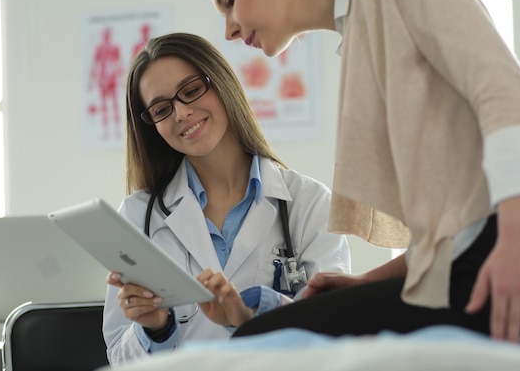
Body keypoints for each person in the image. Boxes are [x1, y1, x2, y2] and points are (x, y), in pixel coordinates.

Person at [198, 0, 520, 345]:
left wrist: (519, 242)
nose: (229, 30)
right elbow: (454, 228)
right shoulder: (363, 23)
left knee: (264, 338)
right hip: (485, 252)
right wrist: (363, 284)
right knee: (267, 333)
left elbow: (505, 95)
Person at [102, 32, 351, 365]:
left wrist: (250, 318)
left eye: (190, 91)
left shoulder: (309, 203)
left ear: (221, 83)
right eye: (162, 109)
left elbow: (332, 336)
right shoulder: (137, 216)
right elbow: (118, 358)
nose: (181, 113)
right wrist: (155, 330)